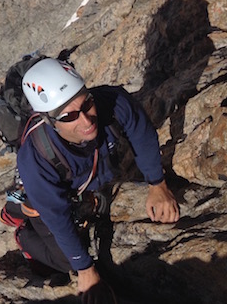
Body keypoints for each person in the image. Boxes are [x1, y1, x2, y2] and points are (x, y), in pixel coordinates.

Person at [11, 57, 179, 294]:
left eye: (86, 104)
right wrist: (85, 268)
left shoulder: (111, 101)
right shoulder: (36, 159)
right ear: (48, 120)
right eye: (69, 117)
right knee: (68, 261)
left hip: (91, 184)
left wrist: (157, 184)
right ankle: (25, 236)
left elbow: (142, 134)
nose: (86, 120)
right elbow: (57, 217)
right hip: (51, 202)